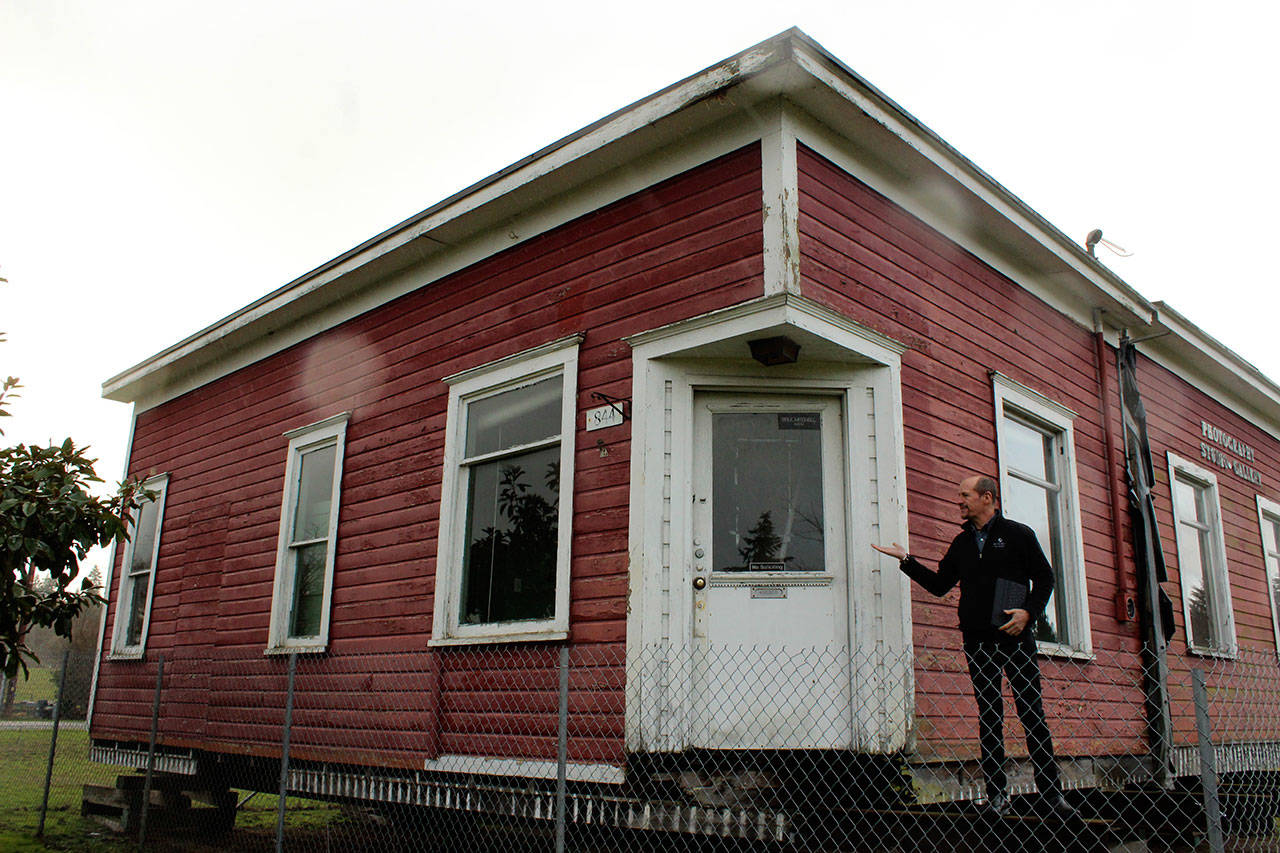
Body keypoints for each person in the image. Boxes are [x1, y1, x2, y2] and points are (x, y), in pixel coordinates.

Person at [872, 475, 1075, 818]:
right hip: (977, 641)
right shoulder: (961, 544)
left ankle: (1052, 796)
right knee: (990, 716)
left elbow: (1045, 579)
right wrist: (905, 560)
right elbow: (939, 586)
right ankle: (997, 795)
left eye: (964, 495)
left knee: (1032, 715)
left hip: (1014, 638)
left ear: (987, 497)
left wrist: (1029, 613)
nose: (959, 501)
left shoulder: (1018, 535)